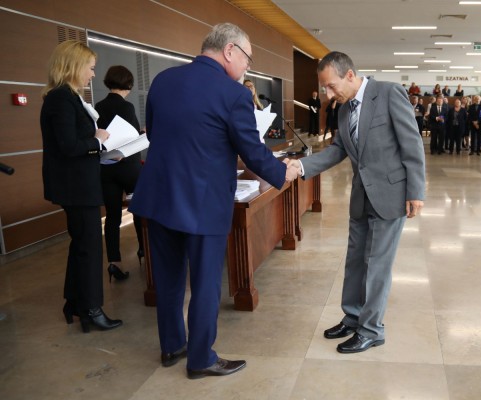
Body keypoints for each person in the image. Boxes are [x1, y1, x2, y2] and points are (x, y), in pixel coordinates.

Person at [128, 23, 298, 379]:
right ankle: (201, 357)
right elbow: (252, 153)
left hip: (158, 197)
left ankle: (172, 345)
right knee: (205, 282)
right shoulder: (232, 94)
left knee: (168, 278)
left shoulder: (163, 81)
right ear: (230, 50)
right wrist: (284, 172)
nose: (247, 69)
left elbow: (156, 134)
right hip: (202, 203)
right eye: (248, 60)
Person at [285, 51, 425, 354]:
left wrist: (416, 191)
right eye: (324, 87)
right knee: (355, 260)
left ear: (350, 75)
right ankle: (353, 317)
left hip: (390, 195)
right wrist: (301, 166)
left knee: (377, 265)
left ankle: (372, 329)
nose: (327, 93)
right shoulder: (345, 109)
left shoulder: (388, 94)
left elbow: (412, 143)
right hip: (361, 196)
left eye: (331, 85)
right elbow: (338, 149)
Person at [40, 40, 122, 333]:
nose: (91, 75)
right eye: (89, 68)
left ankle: (74, 302)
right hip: (75, 186)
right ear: (74, 66)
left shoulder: (68, 97)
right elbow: (68, 145)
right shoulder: (61, 99)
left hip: (78, 184)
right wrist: (98, 141)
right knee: (89, 248)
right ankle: (91, 309)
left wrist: (102, 147)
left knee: (81, 245)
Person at [95, 66, 144, 283]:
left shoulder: (98, 106)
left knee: (113, 217)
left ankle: (113, 263)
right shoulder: (126, 106)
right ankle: (144, 251)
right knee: (139, 211)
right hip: (129, 167)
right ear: (129, 84)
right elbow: (132, 137)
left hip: (106, 168)